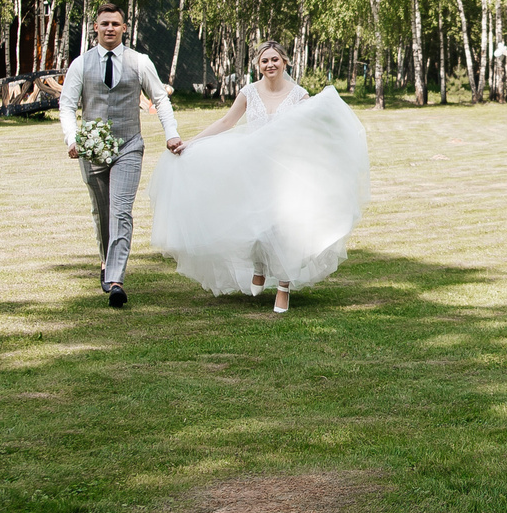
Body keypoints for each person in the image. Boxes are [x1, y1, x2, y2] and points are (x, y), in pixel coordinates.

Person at [148, 43, 370, 314]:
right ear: (258, 65)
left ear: (285, 62)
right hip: (252, 169)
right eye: (264, 60)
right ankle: (259, 266)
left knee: (286, 229)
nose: (270, 64)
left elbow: (313, 130)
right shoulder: (248, 92)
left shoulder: (300, 96)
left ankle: (283, 288)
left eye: (275, 59)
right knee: (253, 225)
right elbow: (226, 123)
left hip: (288, 170)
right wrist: (191, 143)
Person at [59, 3, 180, 309]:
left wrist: (171, 134)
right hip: (91, 149)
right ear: (96, 28)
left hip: (129, 146)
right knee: (102, 211)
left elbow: (160, 100)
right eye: (104, 24)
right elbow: (67, 104)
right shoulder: (80, 64)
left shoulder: (139, 62)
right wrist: (72, 138)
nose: (110, 28)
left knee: (121, 211)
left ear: (124, 28)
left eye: (115, 24)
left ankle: (116, 280)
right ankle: (105, 260)